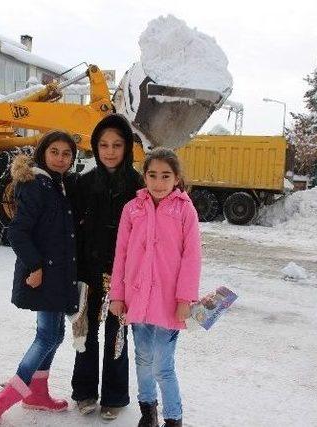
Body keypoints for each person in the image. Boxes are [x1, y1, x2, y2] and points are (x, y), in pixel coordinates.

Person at [0, 131, 80, 424]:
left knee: (54, 334)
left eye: (67, 154)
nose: (61, 158)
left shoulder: (54, 184)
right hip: (44, 273)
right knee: (48, 336)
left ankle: (38, 393)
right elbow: (17, 231)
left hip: (56, 274)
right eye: (55, 151)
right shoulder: (36, 185)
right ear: (43, 153)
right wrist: (35, 267)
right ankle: (5, 400)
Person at [109, 147, 201, 427]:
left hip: (170, 304)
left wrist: (185, 298)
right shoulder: (132, 209)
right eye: (152, 175)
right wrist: (117, 296)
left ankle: (173, 418)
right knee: (143, 359)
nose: (158, 182)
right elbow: (121, 254)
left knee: (163, 366)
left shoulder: (185, 209)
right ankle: (147, 412)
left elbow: (192, 256)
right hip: (138, 299)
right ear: (144, 176)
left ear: (176, 178)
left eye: (165, 176)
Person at [70, 114, 144, 421]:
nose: (110, 151)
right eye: (104, 145)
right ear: (96, 147)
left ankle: (114, 396)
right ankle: (85, 392)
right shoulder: (85, 183)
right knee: (84, 332)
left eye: (116, 144)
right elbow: (72, 228)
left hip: (122, 276)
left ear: (126, 147)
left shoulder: (139, 185)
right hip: (87, 271)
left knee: (117, 336)